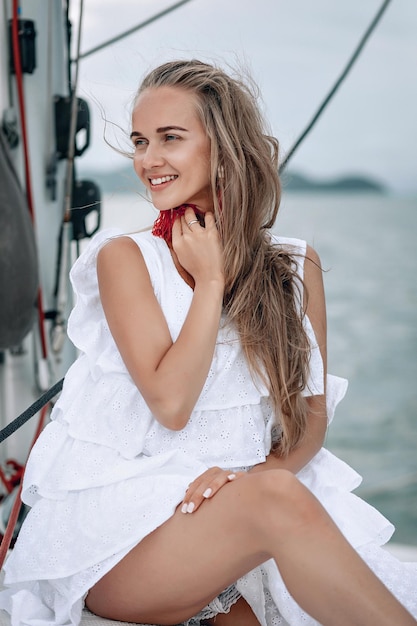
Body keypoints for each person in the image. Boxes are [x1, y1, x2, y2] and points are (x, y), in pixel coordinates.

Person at [0, 59, 416, 626]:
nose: (148, 160)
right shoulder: (126, 260)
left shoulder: (296, 265)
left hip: (237, 513)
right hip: (119, 538)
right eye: (141, 142)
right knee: (280, 508)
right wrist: (211, 281)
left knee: (286, 533)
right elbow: (171, 406)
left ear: (225, 146)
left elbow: (310, 420)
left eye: (170, 138)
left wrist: (248, 483)